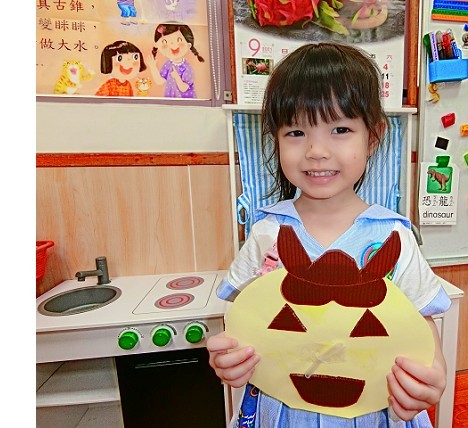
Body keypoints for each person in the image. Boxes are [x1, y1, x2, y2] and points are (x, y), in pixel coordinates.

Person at [207, 42, 452, 428]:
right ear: (276, 139)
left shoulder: (393, 238)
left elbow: (420, 323)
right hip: (283, 411)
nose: (316, 151)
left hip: (375, 411)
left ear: (372, 137)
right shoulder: (268, 233)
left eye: (340, 129)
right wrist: (229, 358)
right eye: (296, 132)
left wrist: (433, 369)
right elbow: (244, 319)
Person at [146, 22, 205, 98]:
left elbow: (183, 88)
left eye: (179, 40)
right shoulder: (168, 64)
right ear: (157, 46)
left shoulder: (186, 66)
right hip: (170, 99)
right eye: (165, 43)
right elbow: (160, 81)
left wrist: (176, 77)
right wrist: (153, 67)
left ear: (188, 45)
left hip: (186, 101)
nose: (172, 45)